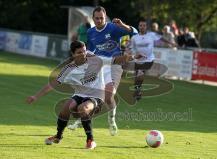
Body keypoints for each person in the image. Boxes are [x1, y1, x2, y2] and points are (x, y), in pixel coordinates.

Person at [26, 40, 143, 149]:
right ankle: (58, 136)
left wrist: (133, 57)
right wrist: (36, 96)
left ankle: (90, 140)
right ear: (73, 54)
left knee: (83, 109)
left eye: (84, 51)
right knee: (64, 110)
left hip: (97, 95)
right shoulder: (69, 69)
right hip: (79, 94)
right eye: (79, 52)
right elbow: (53, 84)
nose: (83, 54)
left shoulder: (96, 60)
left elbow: (116, 60)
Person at [68, 6, 138, 136]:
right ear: (93, 19)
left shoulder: (113, 28)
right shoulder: (90, 32)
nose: (99, 20)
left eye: (102, 18)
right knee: (91, 94)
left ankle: (111, 120)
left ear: (105, 18)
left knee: (108, 95)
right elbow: (91, 50)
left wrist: (122, 25)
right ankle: (80, 120)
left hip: (114, 65)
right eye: (97, 18)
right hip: (99, 65)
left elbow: (134, 32)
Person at [130, 18, 175, 100]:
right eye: (140, 25)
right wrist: (133, 54)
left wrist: (171, 43)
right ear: (138, 27)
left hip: (149, 59)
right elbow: (132, 48)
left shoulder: (151, 35)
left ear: (146, 27)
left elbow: (161, 38)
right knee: (137, 77)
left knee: (140, 73)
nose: (142, 27)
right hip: (138, 60)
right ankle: (137, 91)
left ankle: (137, 91)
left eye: (144, 25)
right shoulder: (134, 37)